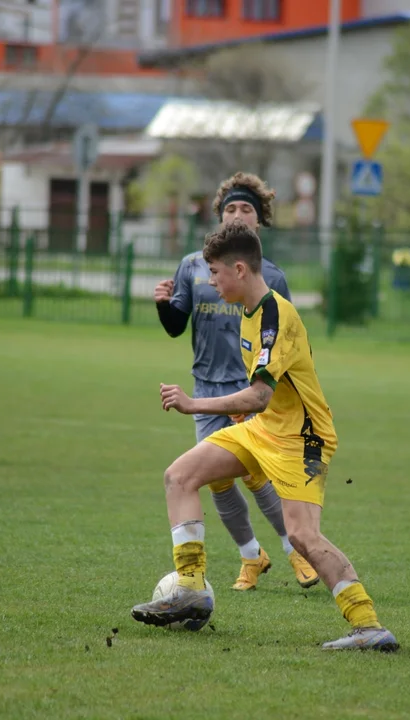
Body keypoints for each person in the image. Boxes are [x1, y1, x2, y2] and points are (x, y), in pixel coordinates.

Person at [132, 220, 399, 652]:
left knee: (302, 536)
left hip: (305, 438)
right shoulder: (249, 310)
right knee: (180, 476)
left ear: (239, 269)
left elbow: (258, 395)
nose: (211, 281)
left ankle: (369, 626)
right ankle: (190, 589)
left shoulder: (275, 314)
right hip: (264, 429)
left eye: (215, 272)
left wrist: (192, 403)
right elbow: (262, 398)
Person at [153, 172, 318, 592]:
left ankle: (293, 549)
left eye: (247, 208)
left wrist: (263, 393)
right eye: (231, 208)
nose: (238, 215)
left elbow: (283, 339)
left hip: (249, 390)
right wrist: (162, 306)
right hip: (207, 384)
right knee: (215, 479)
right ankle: (250, 555)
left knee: (256, 472)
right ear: (218, 214)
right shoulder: (194, 266)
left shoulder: (272, 277)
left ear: (260, 220)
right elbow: (176, 324)